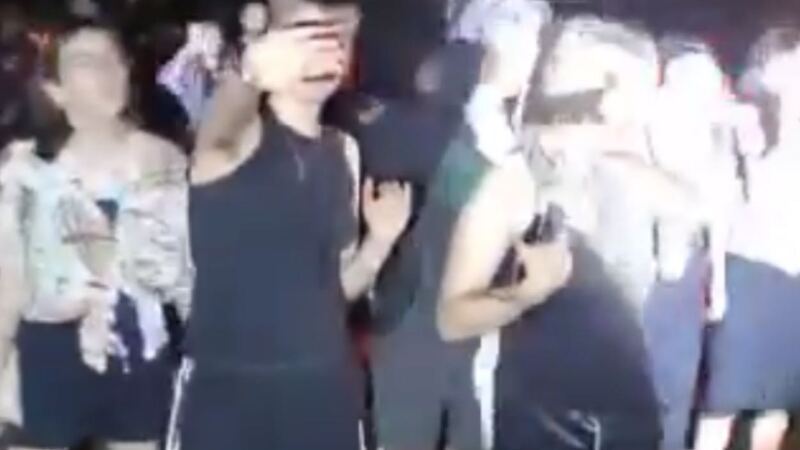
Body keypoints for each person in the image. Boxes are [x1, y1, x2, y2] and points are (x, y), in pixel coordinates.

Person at [439, 16, 704, 449]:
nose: (640, 109)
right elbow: (452, 319)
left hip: (629, 410)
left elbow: (693, 206)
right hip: (546, 418)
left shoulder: (627, 170)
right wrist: (525, 294)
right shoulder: (516, 181)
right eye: (629, 88)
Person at [167, 1, 412, 449]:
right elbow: (213, 149)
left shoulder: (343, 150)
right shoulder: (239, 135)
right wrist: (249, 74)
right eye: (307, 32)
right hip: (231, 389)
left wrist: (379, 242)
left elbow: (337, 289)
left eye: (334, 35)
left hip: (322, 384)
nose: (326, 47)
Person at [370, 3, 554, 450]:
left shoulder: (511, 125)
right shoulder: (460, 123)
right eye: (526, 39)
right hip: (420, 316)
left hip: (468, 324)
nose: (534, 55)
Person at [0, 24, 192, 450]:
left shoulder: (167, 161)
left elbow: (188, 274)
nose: (106, 72)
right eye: (86, 63)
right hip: (48, 357)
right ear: (55, 89)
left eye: (114, 61)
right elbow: (8, 284)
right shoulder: (26, 172)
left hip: (139, 359)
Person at [696, 26, 800, 450]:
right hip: (750, 275)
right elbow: (721, 204)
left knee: (775, 407)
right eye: (789, 65)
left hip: (794, 284)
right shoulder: (744, 121)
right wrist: (718, 281)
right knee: (723, 405)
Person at [644, 35, 742, 450]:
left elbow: (719, 210)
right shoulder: (648, 117)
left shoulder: (715, 136)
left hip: (686, 270)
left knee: (674, 387)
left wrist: (718, 284)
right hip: (640, 268)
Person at [157, 20, 224, 130]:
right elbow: (167, 82)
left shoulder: (215, 72)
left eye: (218, 39)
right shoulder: (183, 69)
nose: (219, 43)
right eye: (211, 39)